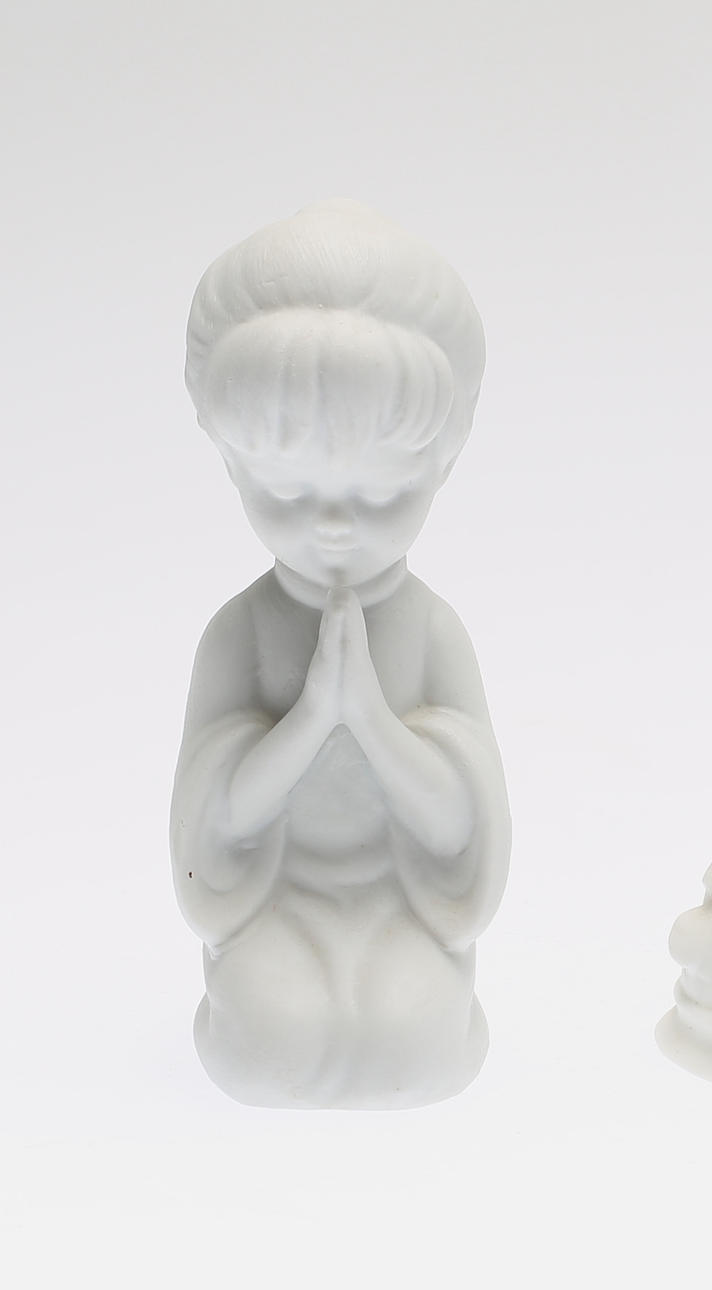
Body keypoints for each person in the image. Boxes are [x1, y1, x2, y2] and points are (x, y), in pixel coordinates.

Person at [172, 201, 510, 1108]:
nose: (332, 527)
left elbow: (463, 828)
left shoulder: (431, 631)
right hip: (276, 911)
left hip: (402, 910)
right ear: (233, 465)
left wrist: (371, 719)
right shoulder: (240, 634)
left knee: (410, 1046)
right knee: (272, 1046)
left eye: (380, 494)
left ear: (442, 464)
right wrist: (310, 719)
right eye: (286, 492)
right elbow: (213, 827)